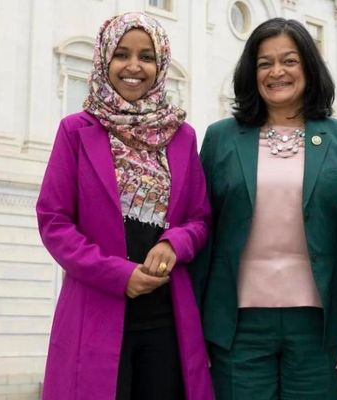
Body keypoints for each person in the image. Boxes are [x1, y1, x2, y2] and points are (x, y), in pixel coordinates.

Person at [191, 17, 337, 400]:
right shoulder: (220, 138)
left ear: (308, 66)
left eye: (289, 60)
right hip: (236, 327)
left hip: (321, 327)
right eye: (264, 63)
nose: (277, 72)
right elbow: (202, 231)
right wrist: (192, 325)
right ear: (251, 73)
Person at [36, 12, 213, 400]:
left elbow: (199, 218)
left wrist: (174, 243)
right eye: (122, 54)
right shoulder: (75, 130)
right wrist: (119, 275)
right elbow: (54, 222)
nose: (134, 67)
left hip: (167, 321)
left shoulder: (182, 135)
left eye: (147, 56)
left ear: (160, 63)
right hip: (95, 312)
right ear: (104, 60)